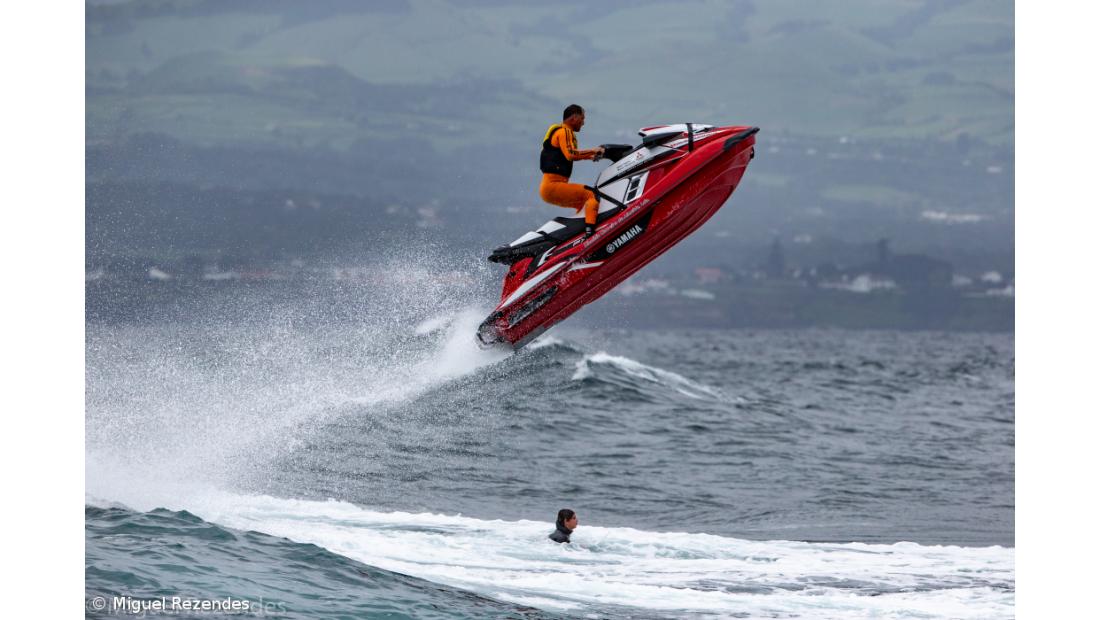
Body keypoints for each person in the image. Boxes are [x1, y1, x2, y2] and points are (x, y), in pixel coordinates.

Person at [539, 104, 606, 238]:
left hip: (550, 187)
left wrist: (590, 156)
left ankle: (576, 236)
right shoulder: (564, 132)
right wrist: (593, 150)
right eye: (582, 118)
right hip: (553, 185)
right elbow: (571, 154)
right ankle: (590, 235)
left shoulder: (562, 132)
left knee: (583, 206)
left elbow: (570, 155)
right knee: (591, 195)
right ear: (574, 118)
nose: (583, 122)